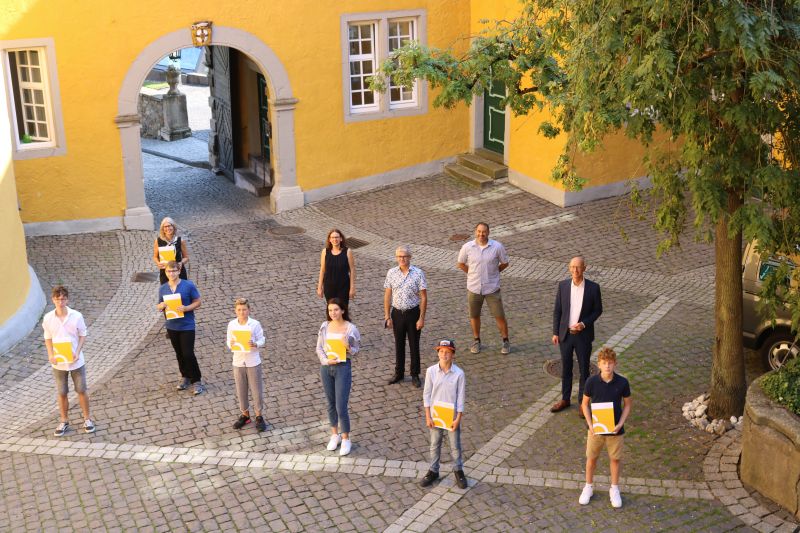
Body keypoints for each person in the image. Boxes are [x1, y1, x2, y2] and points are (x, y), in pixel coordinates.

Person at [579, 347, 632, 508]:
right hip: (596, 429)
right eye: (604, 363)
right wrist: (590, 424)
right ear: (599, 365)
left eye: (610, 363)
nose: (607, 366)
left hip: (615, 430)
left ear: (615, 364)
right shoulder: (591, 382)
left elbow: (628, 404)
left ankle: (614, 489)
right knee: (591, 458)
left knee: (615, 459)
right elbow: (584, 404)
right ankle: (588, 487)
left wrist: (621, 423)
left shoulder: (622, 382)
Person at [551, 256, 603, 414]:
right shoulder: (563, 286)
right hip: (565, 335)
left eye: (578, 267)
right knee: (566, 368)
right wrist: (555, 332)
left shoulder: (593, 288)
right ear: (569, 268)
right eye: (573, 267)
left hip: (583, 336)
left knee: (584, 370)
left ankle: (583, 402)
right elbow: (558, 311)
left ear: (584, 268)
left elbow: (598, 310)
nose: (575, 270)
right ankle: (565, 399)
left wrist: (583, 324)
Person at [42, 285, 95, 437]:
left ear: (67, 299)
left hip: (76, 360)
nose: (61, 301)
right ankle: (64, 420)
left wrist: (78, 352)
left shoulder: (76, 316)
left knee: (81, 390)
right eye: (58, 299)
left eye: (63, 298)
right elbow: (47, 338)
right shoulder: (48, 318)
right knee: (62, 392)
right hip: (58, 362)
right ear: (53, 300)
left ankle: (87, 419)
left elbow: (83, 334)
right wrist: (50, 354)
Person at [456, 222, 511, 354]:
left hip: (492, 288)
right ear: (475, 232)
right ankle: (476, 340)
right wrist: (471, 273)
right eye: (479, 231)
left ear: (488, 233)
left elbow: (505, 263)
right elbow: (460, 263)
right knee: (474, 315)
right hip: (474, 288)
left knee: (499, 315)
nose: (481, 234)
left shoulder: (497, 247)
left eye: (484, 232)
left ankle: (505, 341)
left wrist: (495, 272)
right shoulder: (467, 247)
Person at [316, 298, 361, 456]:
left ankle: (346, 438)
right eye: (330, 310)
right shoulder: (325, 327)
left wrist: (347, 346)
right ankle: (334, 434)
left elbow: (356, 349)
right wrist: (326, 360)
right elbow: (319, 348)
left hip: (343, 367)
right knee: (330, 403)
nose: (333, 313)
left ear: (342, 310)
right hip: (327, 367)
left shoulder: (351, 329)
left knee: (341, 405)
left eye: (336, 310)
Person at [420, 339, 467, 489]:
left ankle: (458, 470)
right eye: (441, 351)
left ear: (453, 354)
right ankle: (433, 470)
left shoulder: (459, 374)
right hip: (436, 414)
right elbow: (426, 395)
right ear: (438, 353)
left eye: (447, 352)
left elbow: (461, 397)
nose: (444, 355)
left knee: (455, 445)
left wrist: (458, 418)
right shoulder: (431, 371)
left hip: (451, 415)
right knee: (435, 444)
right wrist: (428, 416)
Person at [156, 260, 205, 395]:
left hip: (187, 325)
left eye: (173, 271)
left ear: (178, 271)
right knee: (179, 354)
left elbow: (198, 302)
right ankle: (185, 377)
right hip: (172, 326)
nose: (171, 273)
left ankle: (196, 380)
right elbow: (159, 305)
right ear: (165, 272)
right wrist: (161, 307)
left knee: (188, 353)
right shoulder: (163, 288)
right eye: (168, 271)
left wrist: (186, 308)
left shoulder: (188, 285)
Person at [384, 245, 427, 388]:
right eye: (399, 256)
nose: (402, 259)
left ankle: (415, 374)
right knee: (399, 343)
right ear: (396, 258)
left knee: (414, 344)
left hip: (413, 312)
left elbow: (424, 297)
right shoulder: (391, 273)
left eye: (405, 256)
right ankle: (399, 373)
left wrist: (421, 317)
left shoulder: (418, 273)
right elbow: (387, 295)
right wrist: (387, 316)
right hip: (397, 313)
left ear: (410, 257)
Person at [226, 298, 267, 432]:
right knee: (241, 389)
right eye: (239, 310)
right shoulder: (232, 325)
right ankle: (245, 414)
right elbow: (228, 340)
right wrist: (231, 344)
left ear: (248, 310)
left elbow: (262, 339)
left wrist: (256, 344)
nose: (242, 312)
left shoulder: (255, 324)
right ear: (235, 311)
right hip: (238, 361)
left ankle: (259, 416)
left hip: (253, 361)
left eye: (244, 309)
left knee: (256, 390)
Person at [316, 228, 356, 308]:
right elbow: (322, 270)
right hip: (329, 286)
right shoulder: (325, 252)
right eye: (333, 237)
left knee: (343, 309)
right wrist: (319, 287)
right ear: (329, 240)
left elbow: (352, 270)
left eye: (337, 237)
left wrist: (352, 287)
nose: (335, 239)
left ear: (341, 239)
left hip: (343, 286)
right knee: (331, 309)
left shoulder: (348, 252)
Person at [153, 217, 189, 285]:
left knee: (181, 293)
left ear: (173, 227)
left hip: (179, 272)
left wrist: (181, 263)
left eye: (169, 226)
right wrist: (158, 263)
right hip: (165, 272)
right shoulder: (158, 241)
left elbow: (186, 257)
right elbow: (155, 257)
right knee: (167, 293)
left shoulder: (180, 241)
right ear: (162, 229)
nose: (168, 228)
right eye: (165, 227)